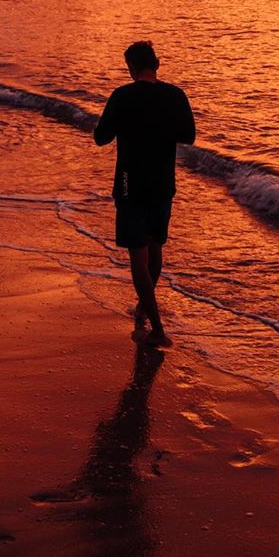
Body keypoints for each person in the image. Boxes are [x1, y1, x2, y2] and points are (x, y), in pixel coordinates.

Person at [94, 41, 196, 347]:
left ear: (131, 67)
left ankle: (158, 328)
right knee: (154, 246)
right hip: (163, 182)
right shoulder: (175, 95)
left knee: (137, 254)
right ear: (157, 64)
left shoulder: (122, 96)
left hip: (128, 182)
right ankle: (144, 306)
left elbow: (101, 137)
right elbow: (188, 136)